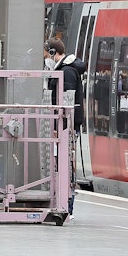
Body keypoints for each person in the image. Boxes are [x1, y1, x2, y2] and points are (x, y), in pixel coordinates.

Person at [44, 37, 86, 215]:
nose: (45, 58)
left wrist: (57, 125)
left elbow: (65, 103)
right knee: (62, 164)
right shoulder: (64, 69)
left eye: (47, 54)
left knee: (66, 165)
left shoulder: (67, 72)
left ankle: (68, 205)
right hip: (62, 126)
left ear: (53, 53)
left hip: (64, 127)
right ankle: (64, 202)